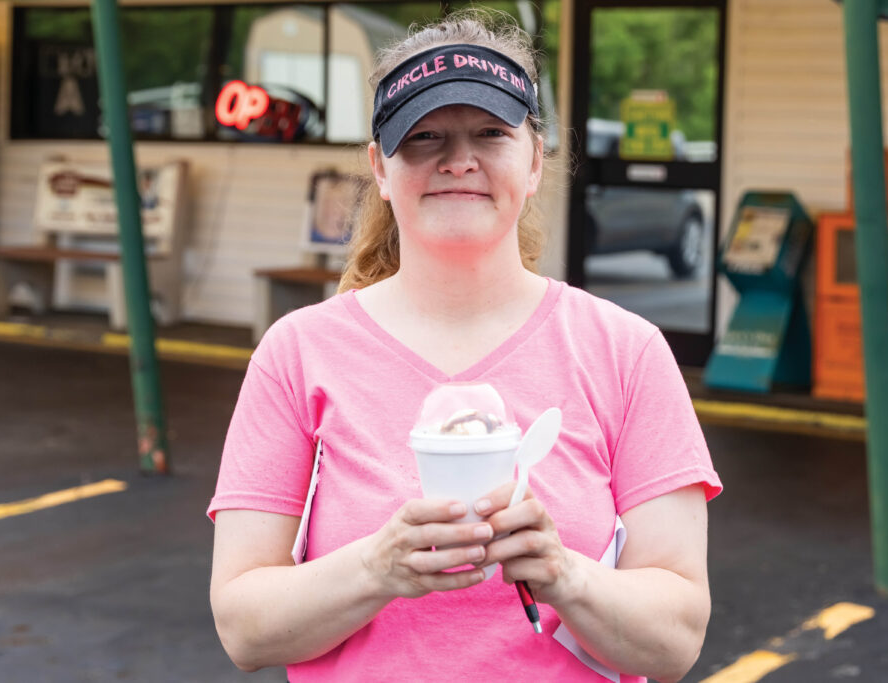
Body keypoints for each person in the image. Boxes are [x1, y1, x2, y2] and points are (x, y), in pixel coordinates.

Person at [208, 11, 722, 683]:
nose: (459, 160)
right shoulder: (297, 353)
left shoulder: (627, 352)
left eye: (490, 132)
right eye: (424, 136)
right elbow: (243, 627)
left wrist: (564, 575)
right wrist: (376, 567)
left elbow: (676, 640)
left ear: (534, 160)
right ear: (380, 168)